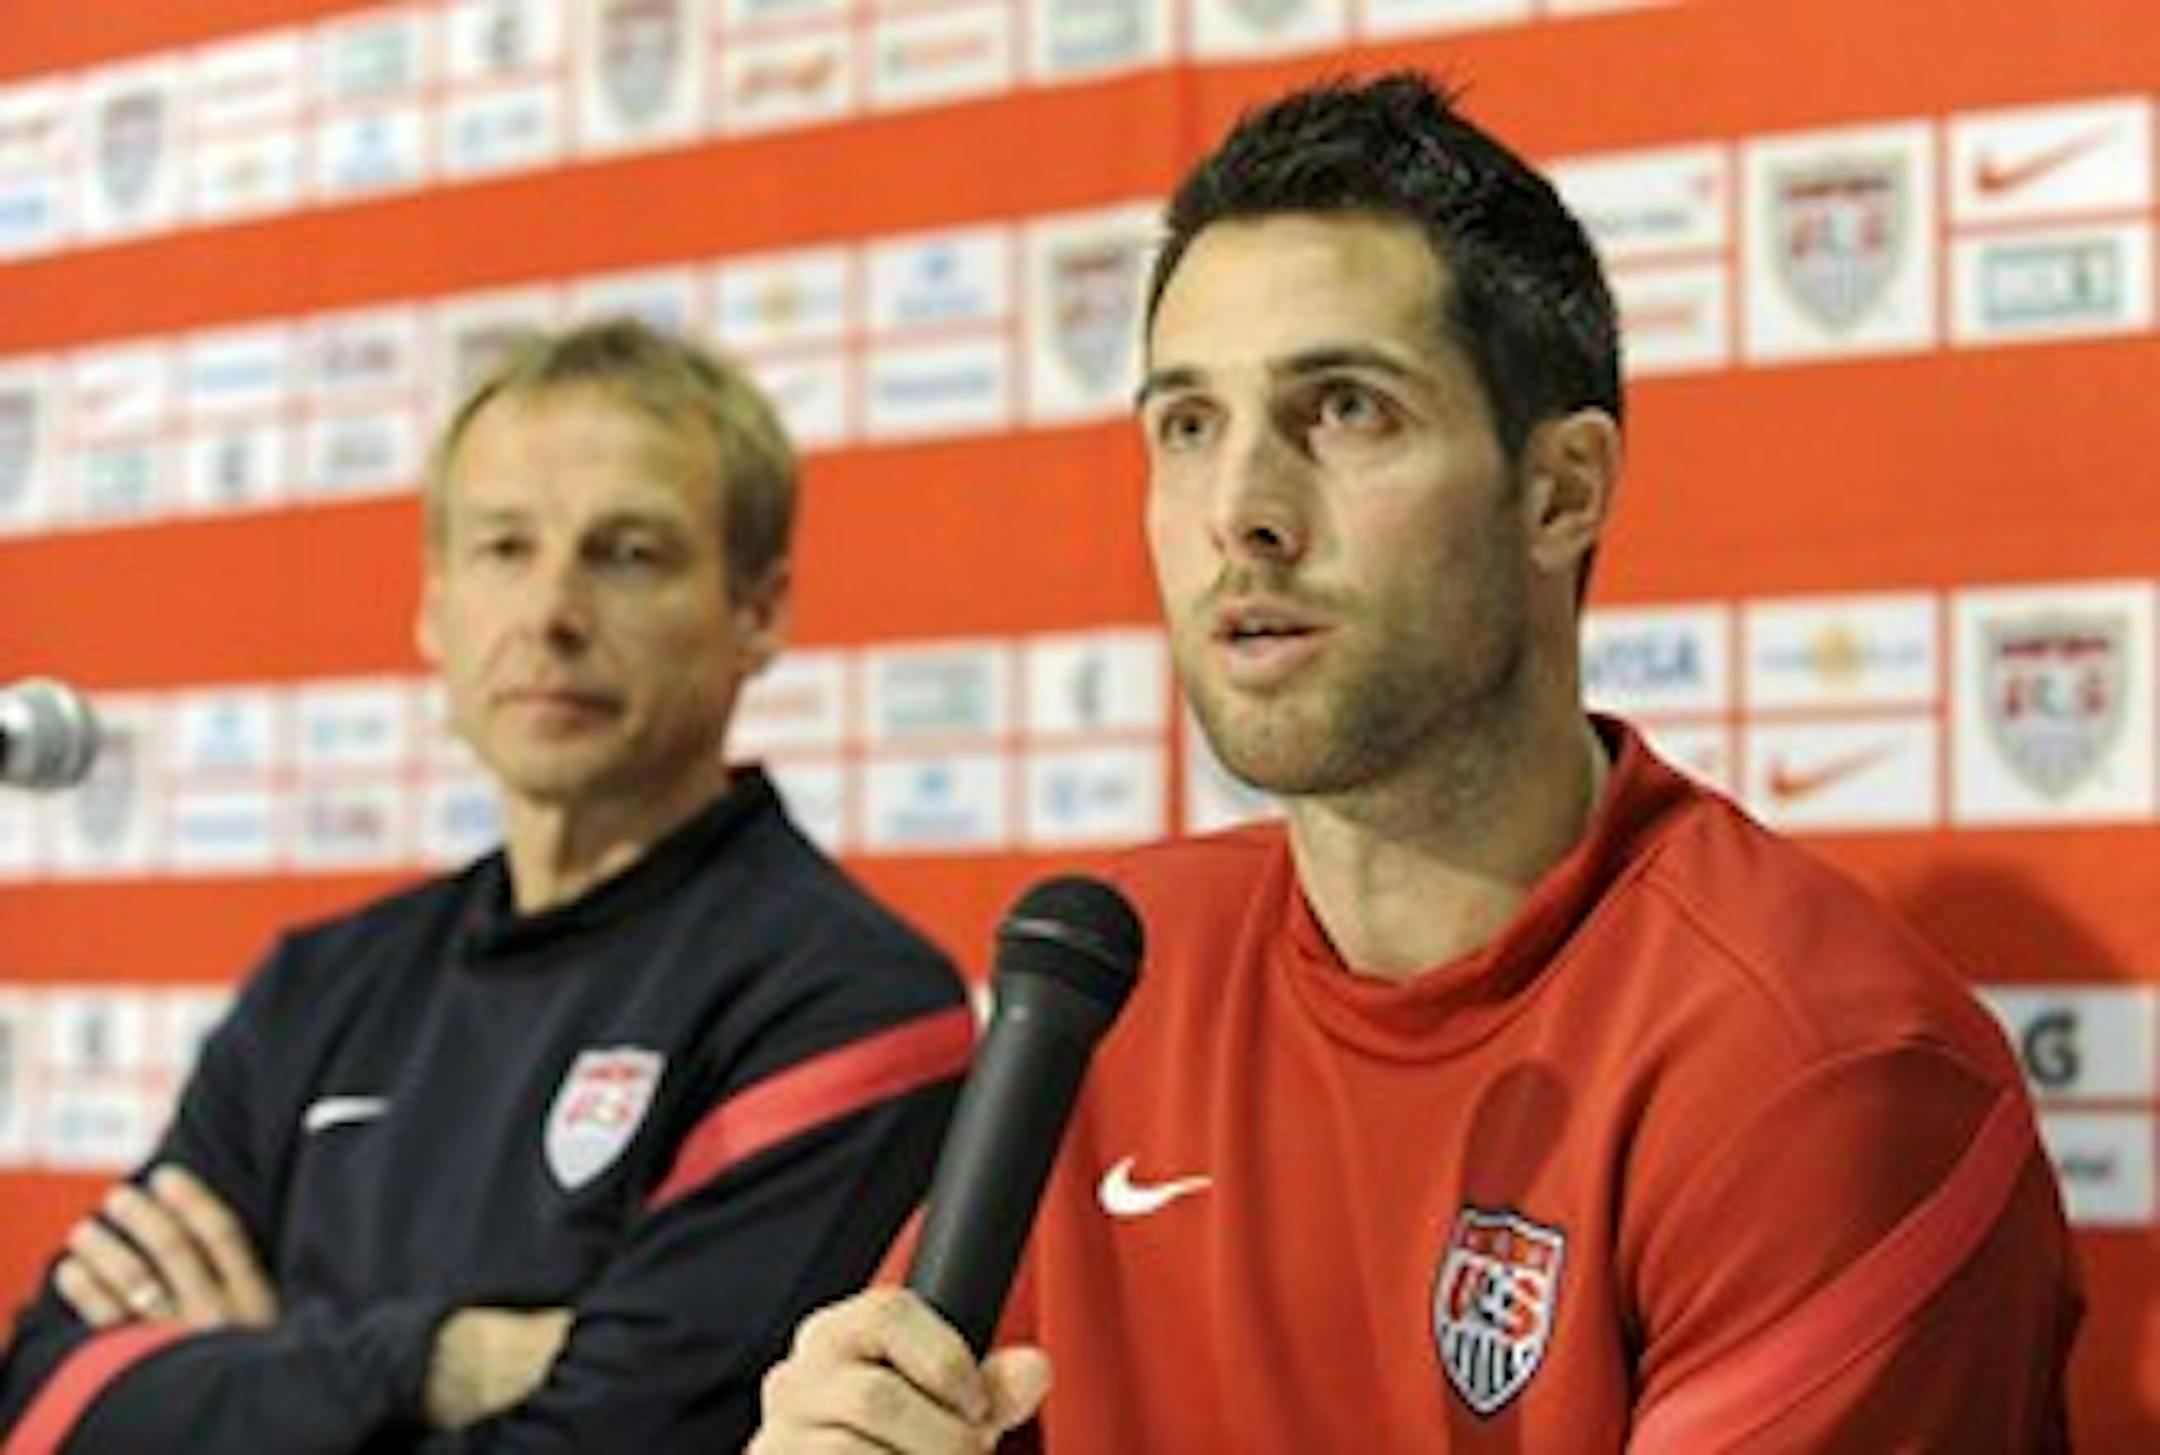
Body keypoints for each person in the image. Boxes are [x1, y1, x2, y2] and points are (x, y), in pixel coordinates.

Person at [749, 73, 2082, 1452]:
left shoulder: (1815, 1066)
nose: (1242, 512)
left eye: (1344, 410)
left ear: (1561, 490)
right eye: (1188, 423)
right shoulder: (1115, 977)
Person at [0, 320, 975, 1452]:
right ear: (434, 603)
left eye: (628, 553)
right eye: (504, 548)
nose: (550, 614)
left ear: (758, 611)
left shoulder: (850, 1006)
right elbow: (46, 1401)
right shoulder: (315, 986)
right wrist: (429, 1361)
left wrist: (248, 1379)